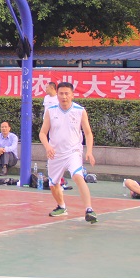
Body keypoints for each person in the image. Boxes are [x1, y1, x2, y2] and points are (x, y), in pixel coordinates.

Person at [39, 82, 98, 223]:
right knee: (53, 184)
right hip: (55, 153)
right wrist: (48, 147)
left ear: (72, 95)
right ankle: (61, 206)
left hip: (73, 151)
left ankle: (89, 209)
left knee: (77, 176)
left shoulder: (79, 110)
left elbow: (88, 133)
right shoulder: (51, 111)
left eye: (67, 93)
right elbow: (42, 133)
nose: (64, 96)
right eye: (61, 93)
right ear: (57, 95)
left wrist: (89, 151)